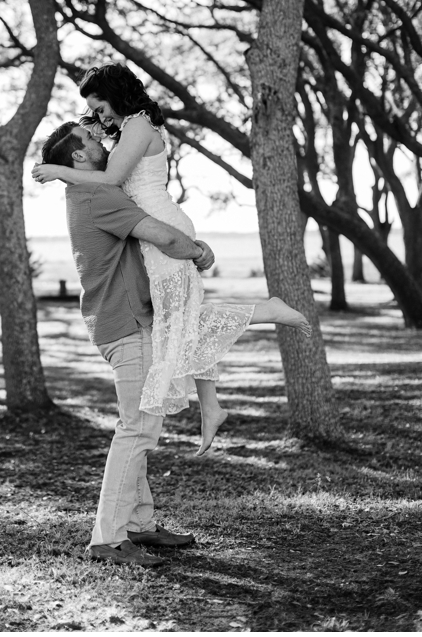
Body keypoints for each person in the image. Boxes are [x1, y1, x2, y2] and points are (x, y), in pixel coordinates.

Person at [34, 64, 312, 456]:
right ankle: (212, 407)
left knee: (178, 320)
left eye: (100, 107)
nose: (99, 118)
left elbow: (112, 180)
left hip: (162, 226)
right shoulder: (130, 128)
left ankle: (268, 312)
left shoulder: (139, 126)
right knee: (181, 319)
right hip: (153, 227)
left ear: (116, 94)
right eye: (94, 113)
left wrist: (58, 170)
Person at [40, 120, 213, 566]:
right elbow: (163, 236)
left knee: (139, 425)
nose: (101, 139)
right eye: (91, 140)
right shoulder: (99, 195)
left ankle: (138, 523)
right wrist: (198, 251)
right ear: (78, 157)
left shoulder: (83, 192)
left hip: (120, 321)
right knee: (136, 429)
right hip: (128, 325)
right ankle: (109, 538)